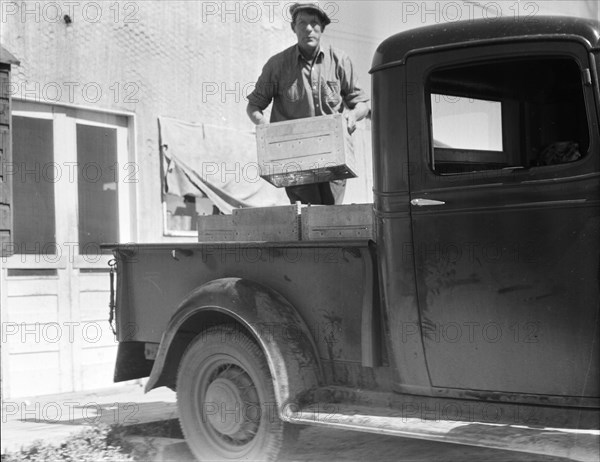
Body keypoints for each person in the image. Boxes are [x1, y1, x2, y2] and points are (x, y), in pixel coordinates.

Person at [246, 1, 370, 205]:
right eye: (302, 23)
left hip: (334, 154)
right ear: (293, 27)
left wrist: (352, 115)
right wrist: (263, 126)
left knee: (330, 218)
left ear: (322, 27)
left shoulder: (339, 60)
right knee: (308, 216)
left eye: (314, 23)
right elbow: (253, 107)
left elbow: (362, 104)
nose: (308, 28)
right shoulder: (277, 65)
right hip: (295, 157)